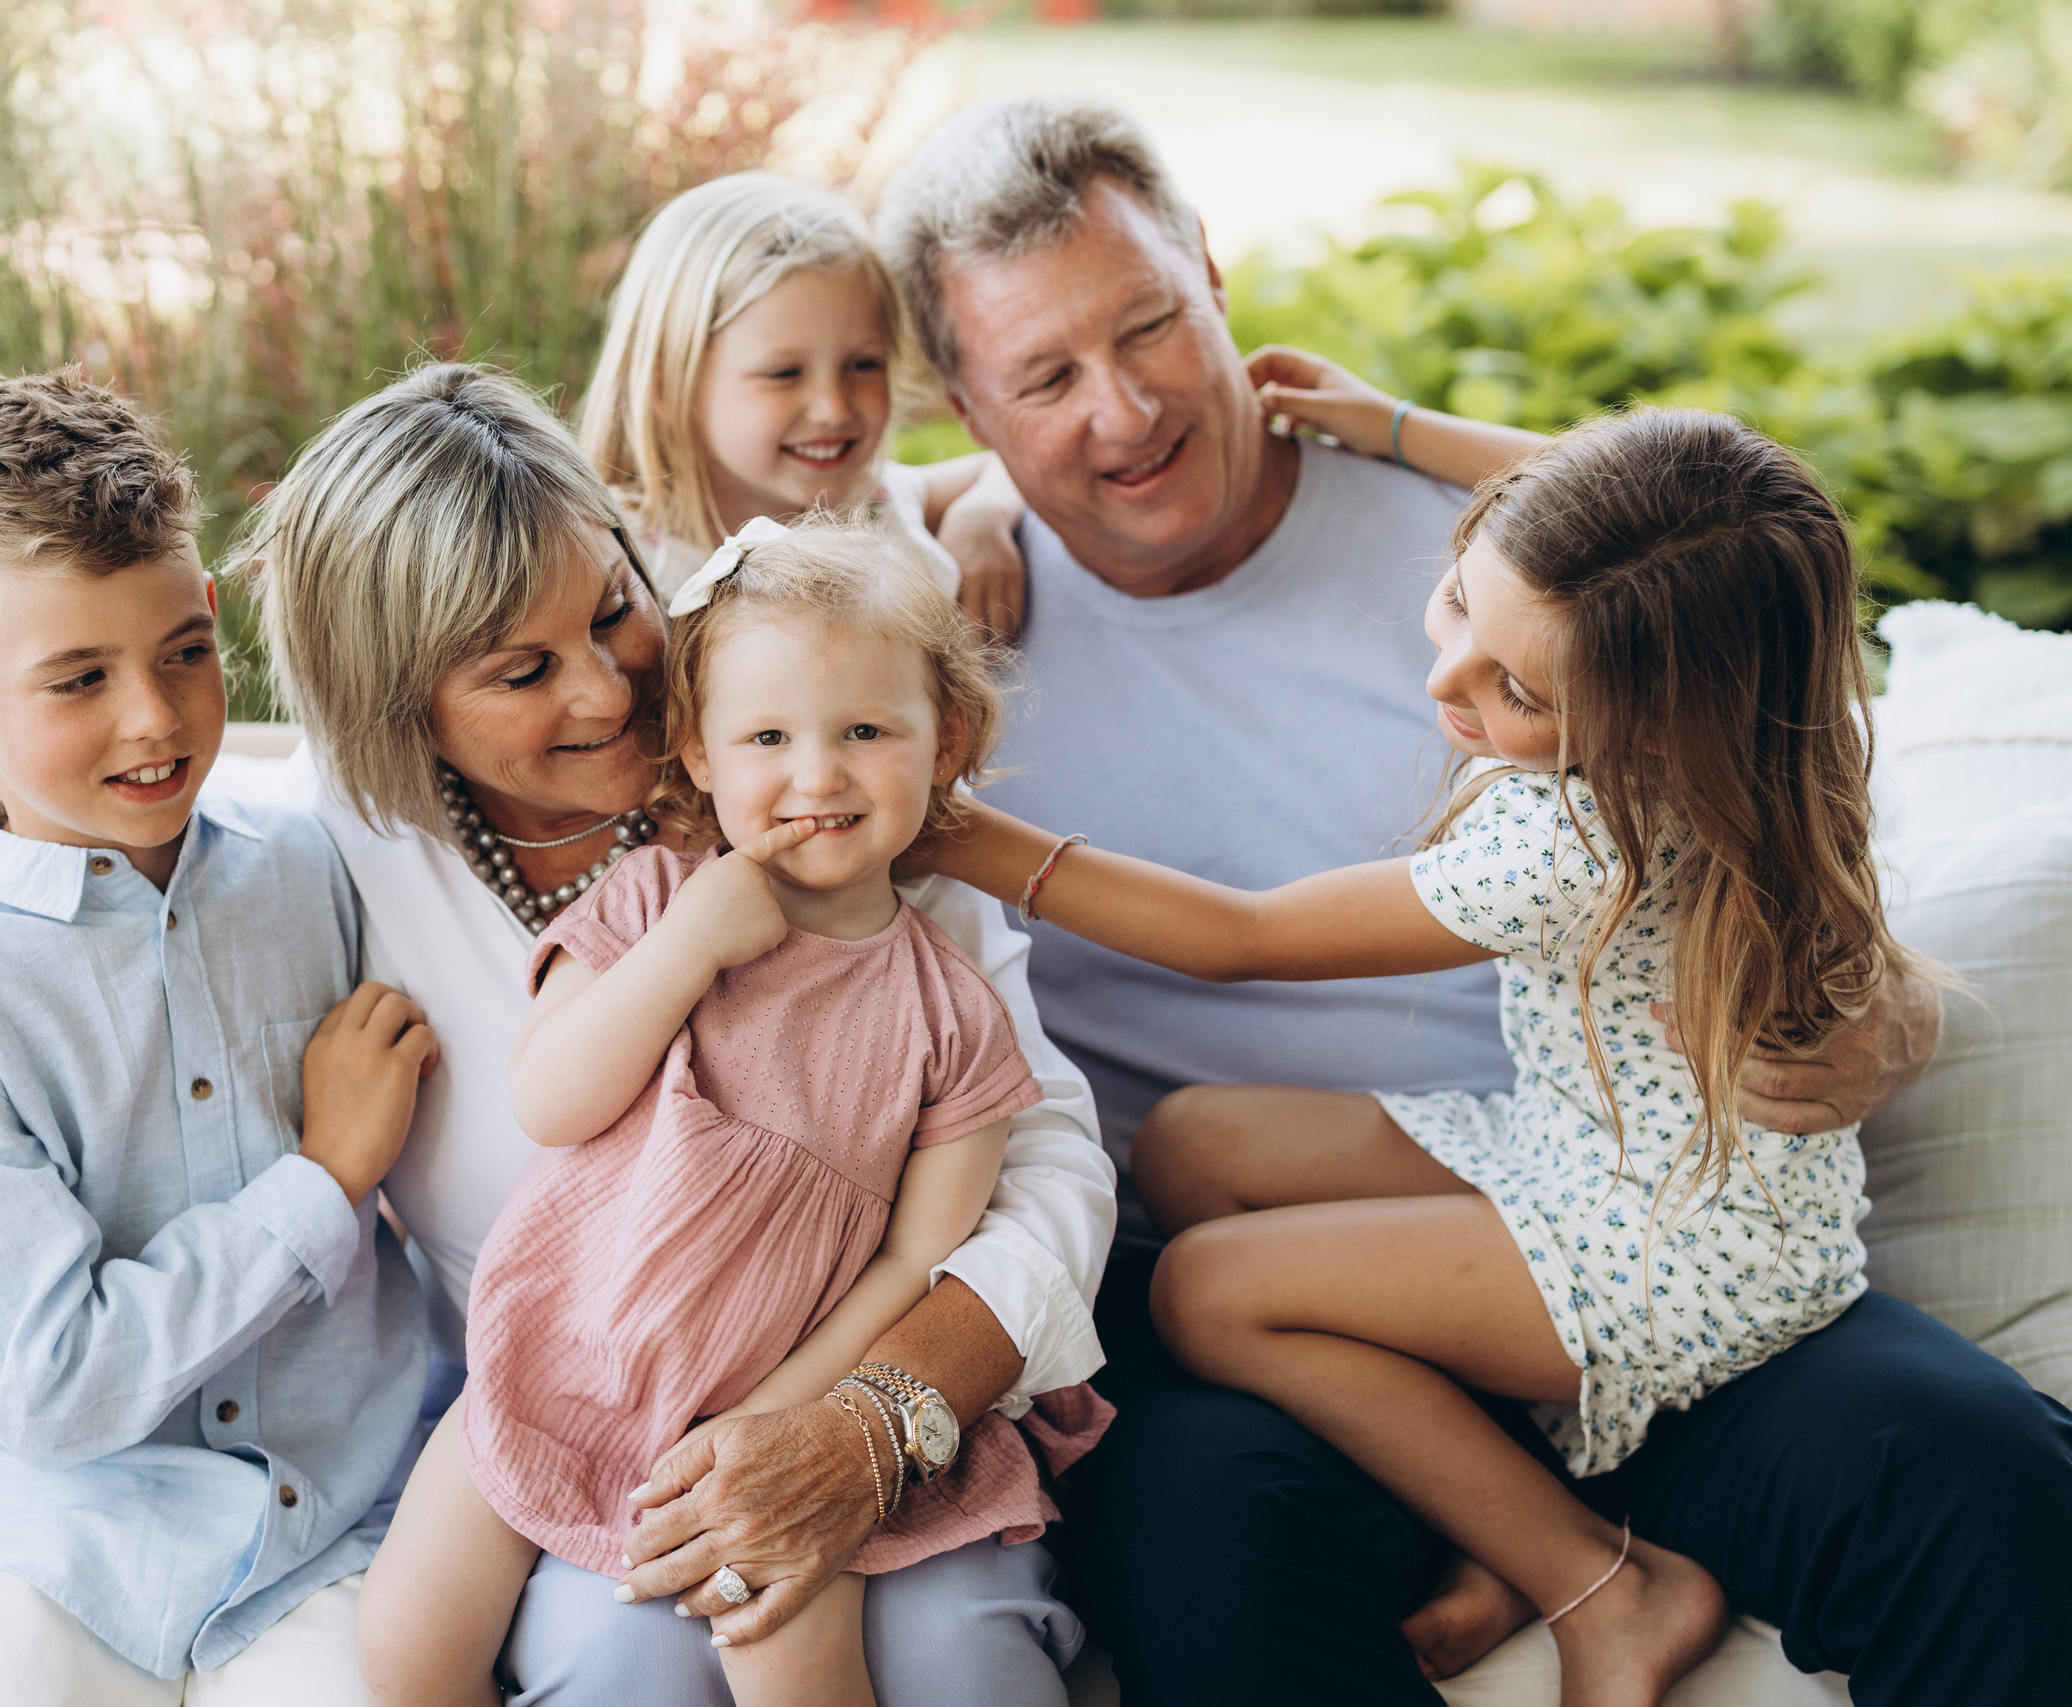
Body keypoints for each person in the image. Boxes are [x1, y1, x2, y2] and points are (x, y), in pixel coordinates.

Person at [874, 94, 2072, 1705]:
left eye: (1152, 325)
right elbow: (714, 510)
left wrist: (1881, 1015)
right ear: (958, 405)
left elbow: (1788, 740)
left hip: (1624, 1215)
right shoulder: (920, 619)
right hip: (1282, 1272)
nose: (1129, 404)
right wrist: (945, 509)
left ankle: (1589, 1566)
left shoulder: (1539, 569)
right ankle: (1550, 1552)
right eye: (1044, 378)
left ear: (1217, 279)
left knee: (1974, 1470)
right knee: (1208, 1544)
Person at [920, 404, 1933, 1707]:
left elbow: (1235, 938)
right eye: (1458, 600)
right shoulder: (1762, 702)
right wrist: (1385, 422)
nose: (1452, 680)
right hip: (1597, 1153)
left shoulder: (1579, 840)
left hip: (1666, 1244)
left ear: (1648, 712)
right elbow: (1667, 512)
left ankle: (1600, 1580)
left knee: (1209, 1293)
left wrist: (954, 831)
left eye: (1517, 691)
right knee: (1189, 1142)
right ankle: (1499, 1503)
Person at [244, 363, 1114, 1704]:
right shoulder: (338, 853)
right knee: (616, 1658)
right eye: (523, 670)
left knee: (956, 1652)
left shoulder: (809, 736)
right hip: (576, 1379)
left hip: (862, 1369)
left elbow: (1042, 1167)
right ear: (397, 705)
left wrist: (854, 1415)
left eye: (613, 611)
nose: (606, 693)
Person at [0, 371, 439, 1705]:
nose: (157, 716)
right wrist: (321, 1180)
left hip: (339, 1508)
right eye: (78, 679)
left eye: (181, 649)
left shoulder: (315, 867)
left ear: (214, 614)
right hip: (52, 1532)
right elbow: (59, 1385)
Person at [578, 171, 1026, 634]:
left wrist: (984, 514)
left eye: (863, 365)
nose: (833, 408)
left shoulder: (875, 504)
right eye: (784, 374)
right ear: (670, 388)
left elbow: (1014, 464)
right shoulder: (621, 567)